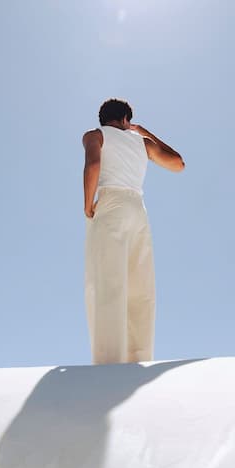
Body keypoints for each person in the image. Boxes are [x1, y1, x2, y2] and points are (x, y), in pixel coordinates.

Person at [82, 98, 185, 365]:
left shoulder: (95, 135)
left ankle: (108, 361)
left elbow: (93, 164)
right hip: (137, 208)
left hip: (110, 203)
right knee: (140, 285)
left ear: (103, 119)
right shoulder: (142, 143)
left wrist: (88, 204)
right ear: (127, 120)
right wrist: (147, 133)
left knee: (107, 281)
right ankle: (139, 358)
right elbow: (178, 164)